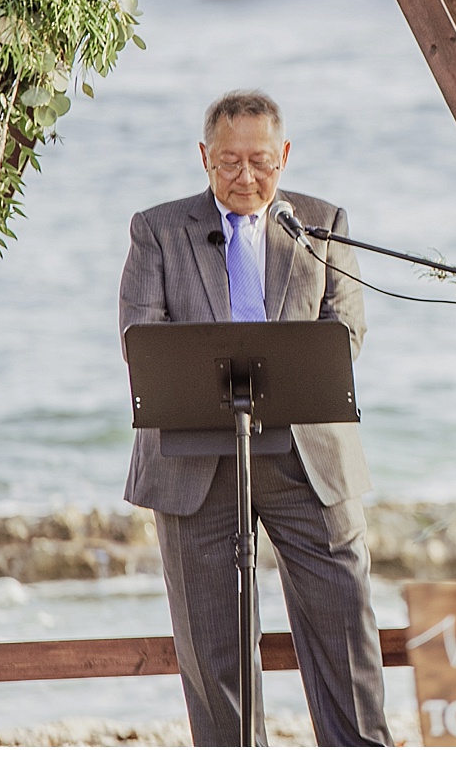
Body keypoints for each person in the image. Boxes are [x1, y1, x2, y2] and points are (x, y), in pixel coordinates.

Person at [119, 90, 388, 746]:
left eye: (262, 162)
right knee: (215, 658)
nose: (245, 178)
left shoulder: (322, 222)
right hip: (194, 462)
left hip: (308, 459)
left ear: (285, 155)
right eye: (229, 162)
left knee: (346, 631)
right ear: (204, 157)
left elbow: (345, 332)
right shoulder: (157, 228)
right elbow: (140, 338)